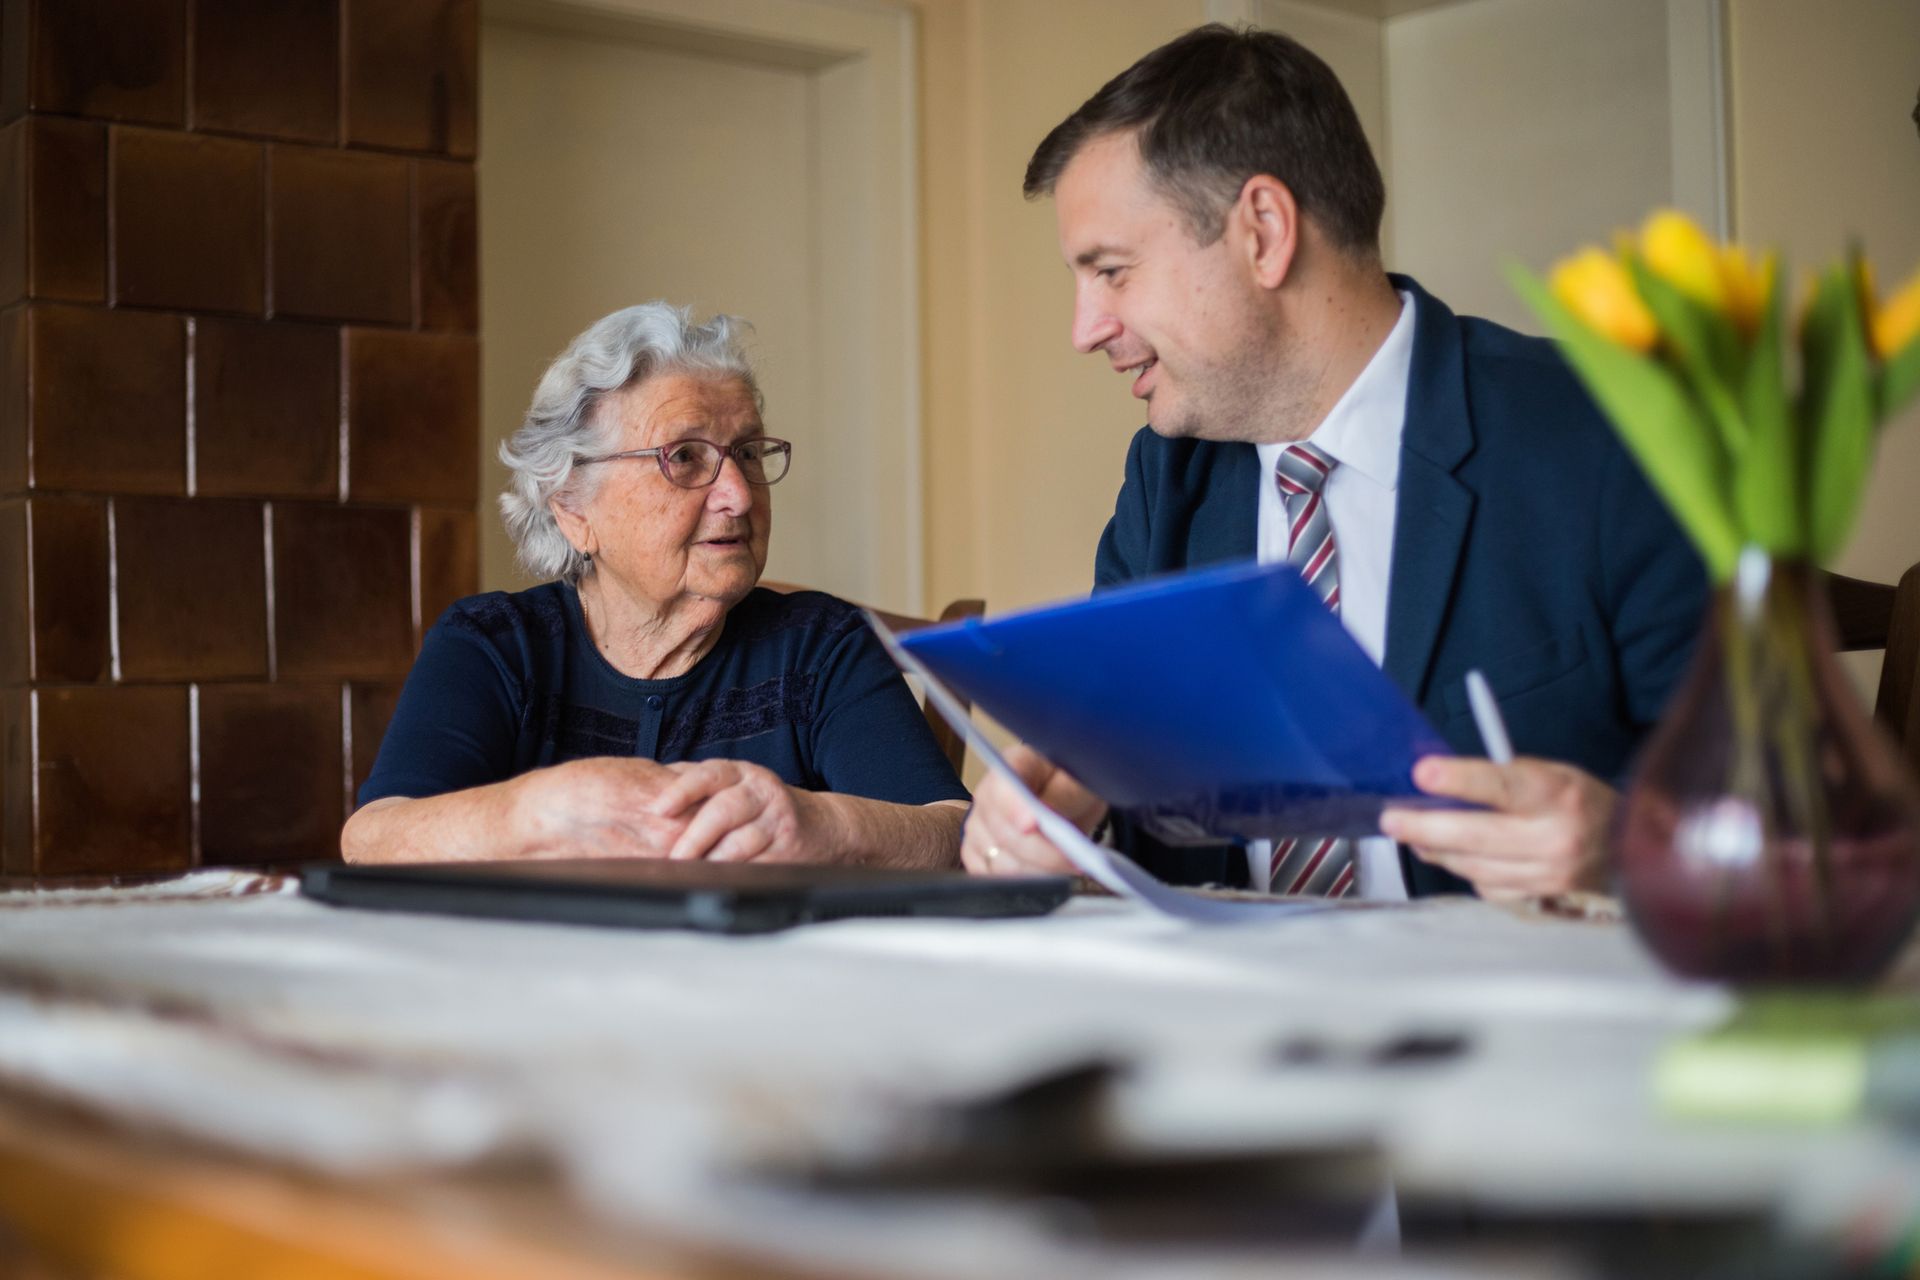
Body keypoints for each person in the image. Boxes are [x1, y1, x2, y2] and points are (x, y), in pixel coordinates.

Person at [962, 25, 1707, 902]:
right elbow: (1128, 795)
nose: (1084, 329)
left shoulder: (1612, 433)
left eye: (1113, 271)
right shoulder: (1166, 481)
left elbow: (1796, 815)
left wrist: (1624, 845)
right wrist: (1060, 823)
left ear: (1265, 232)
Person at [342, 303, 968, 867]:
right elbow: (373, 837)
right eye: (685, 456)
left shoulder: (819, 647)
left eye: (748, 452)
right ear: (572, 508)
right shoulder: (497, 645)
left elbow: (954, 832)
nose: (739, 494)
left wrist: (824, 822)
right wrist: (533, 813)